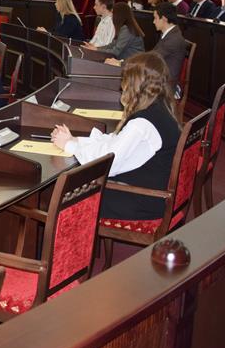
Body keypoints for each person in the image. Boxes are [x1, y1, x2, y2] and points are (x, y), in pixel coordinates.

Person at [51, 52, 181, 221]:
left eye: (124, 80)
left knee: (64, 197)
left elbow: (108, 163)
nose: (122, 86)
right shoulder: (160, 107)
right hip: (153, 194)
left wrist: (70, 146)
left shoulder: (141, 124)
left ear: (134, 84)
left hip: (144, 200)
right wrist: (75, 140)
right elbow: (116, 142)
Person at [108, 2, 184, 91]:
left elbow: (151, 59)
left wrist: (121, 64)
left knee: (126, 81)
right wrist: (122, 62)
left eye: (155, 18)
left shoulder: (173, 39)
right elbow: (152, 56)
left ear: (164, 19)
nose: (153, 22)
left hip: (163, 85)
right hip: (157, 77)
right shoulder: (170, 34)